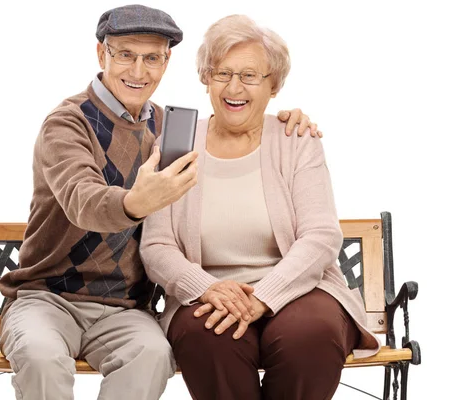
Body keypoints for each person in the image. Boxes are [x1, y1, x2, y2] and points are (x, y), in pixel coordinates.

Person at [0, 5, 320, 400]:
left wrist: (283, 119)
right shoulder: (68, 123)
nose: (138, 71)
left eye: (152, 58)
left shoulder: (171, 130)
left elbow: (233, 125)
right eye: (125, 55)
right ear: (102, 55)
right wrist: (136, 202)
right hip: (48, 298)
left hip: (126, 309)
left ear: (167, 62)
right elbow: (83, 201)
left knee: (152, 355)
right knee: (41, 357)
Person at [140, 14, 382, 400]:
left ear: (275, 85)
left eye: (251, 76)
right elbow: (156, 246)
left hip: (300, 290)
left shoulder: (295, 140)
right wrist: (206, 287)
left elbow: (320, 236)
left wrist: (264, 296)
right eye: (222, 73)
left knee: (309, 336)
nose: (234, 87)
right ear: (206, 79)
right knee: (208, 335)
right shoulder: (175, 145)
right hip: (209, 295)